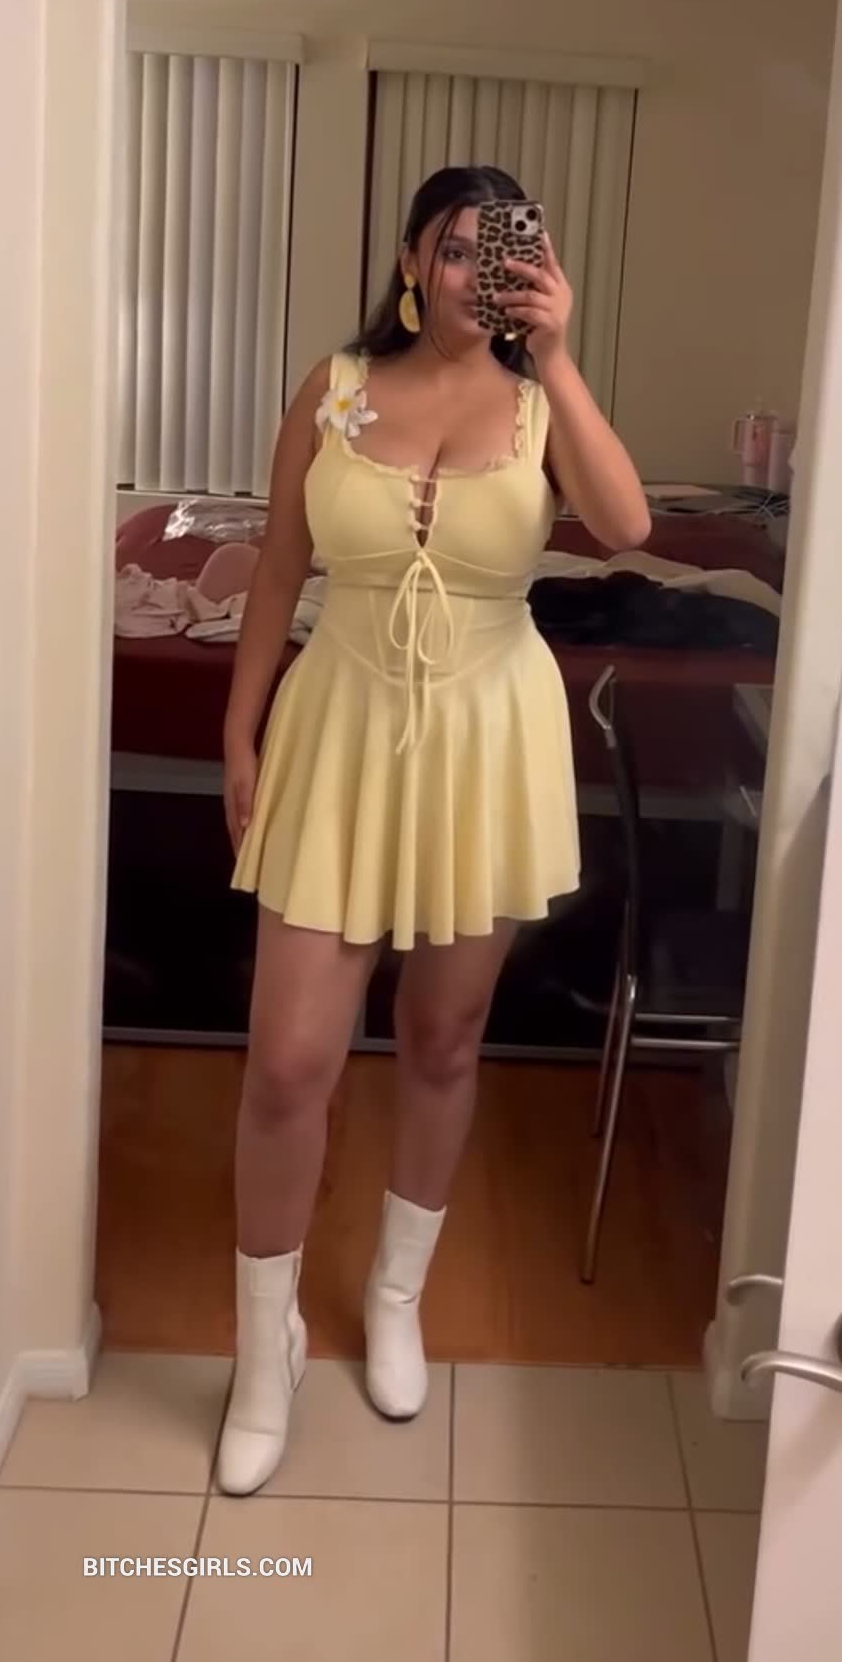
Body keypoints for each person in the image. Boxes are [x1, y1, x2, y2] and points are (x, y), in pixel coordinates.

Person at [217, 165, 650, 1495]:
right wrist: (238, 731)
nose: (479, 274)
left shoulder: (538, 404)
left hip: (485, 741)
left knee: (443, 1039)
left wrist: (559, 353)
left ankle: (396, 1296)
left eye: (504, 254)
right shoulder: (336, 386)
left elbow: (627, 524)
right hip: (340, 727)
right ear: (411, 259)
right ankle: (263, 1352)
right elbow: (278, 566)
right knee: (288, 1063)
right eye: (457, 249)